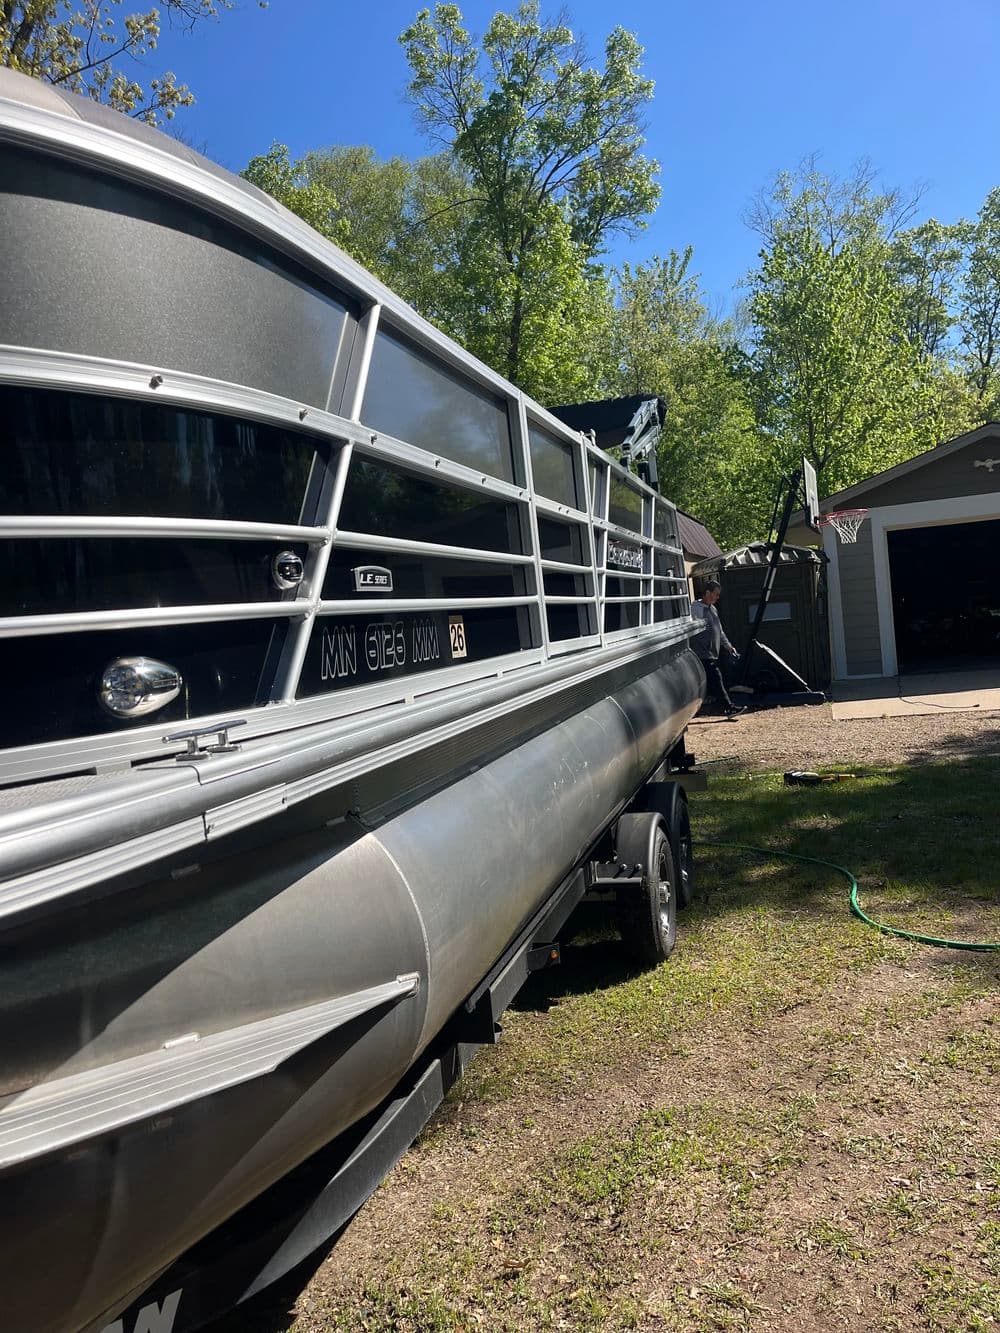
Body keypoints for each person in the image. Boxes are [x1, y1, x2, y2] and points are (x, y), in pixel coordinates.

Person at [690, 580, 746, 716]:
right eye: (716, 594)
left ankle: (719, 706)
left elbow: (719, 631)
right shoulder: (694, 608)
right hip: (701, 653)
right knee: (716, 677)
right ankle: (728, 707)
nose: (717, 597)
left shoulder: (713, 609)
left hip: (711, 652)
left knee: (711, 680)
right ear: (707, 593)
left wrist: (728, 646)